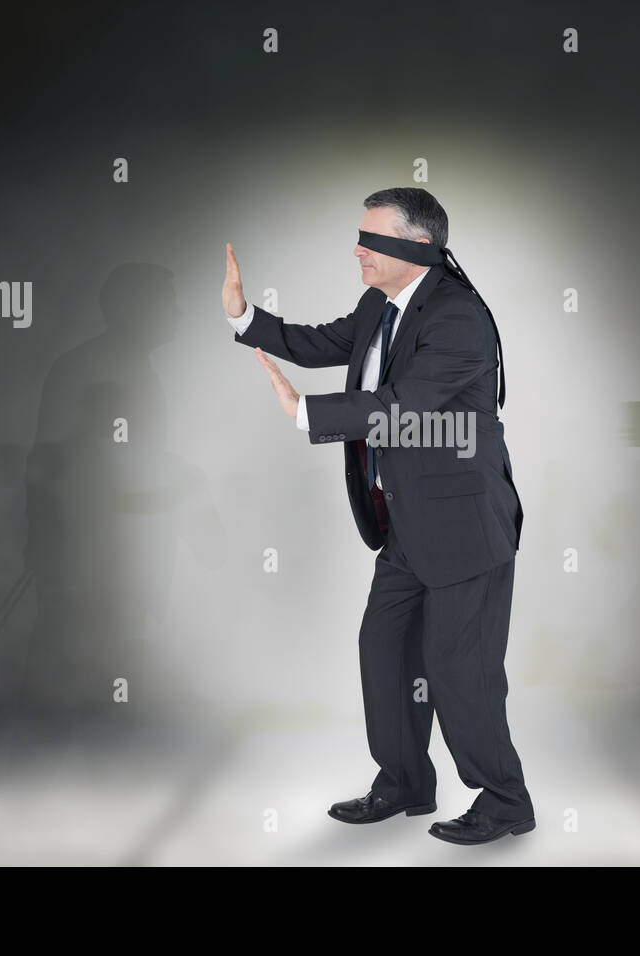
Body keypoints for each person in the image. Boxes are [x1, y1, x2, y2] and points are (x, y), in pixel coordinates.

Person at [221, 187, 533, 844]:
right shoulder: (379, 304)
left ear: (417, 247)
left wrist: (307, 413)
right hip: (404, 528)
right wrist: (245, 317)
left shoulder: (458, 319)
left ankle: (505, 800)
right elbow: (319, 342)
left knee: (459, 669)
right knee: (385, 653)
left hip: (465, 529)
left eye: (372, 239)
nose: (358, 249)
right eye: (358, 237)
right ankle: (404, 782)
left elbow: (406, 402)